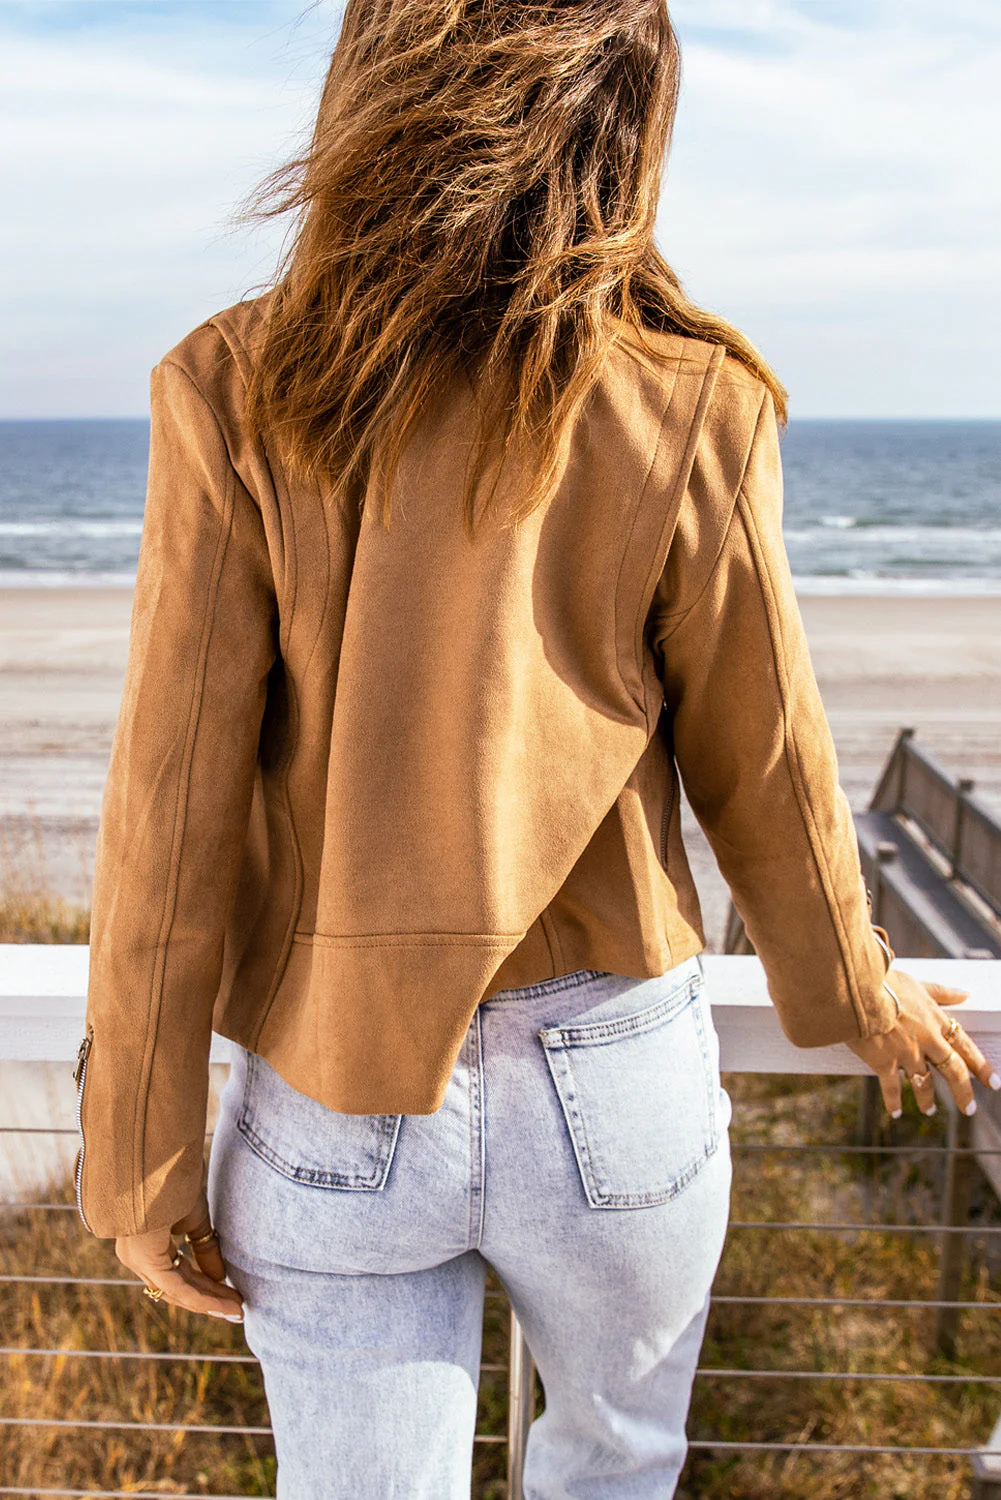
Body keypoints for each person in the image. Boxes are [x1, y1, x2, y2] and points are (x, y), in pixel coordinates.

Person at [73, 2, 999, 1495]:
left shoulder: (232, 384)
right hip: (614, 1082)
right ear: (625, 118)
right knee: (617, 1467)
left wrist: (138, 1157)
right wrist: (851, 986)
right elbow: (765, 763)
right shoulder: (692, 397)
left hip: (334, 1081)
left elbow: (167, 810)